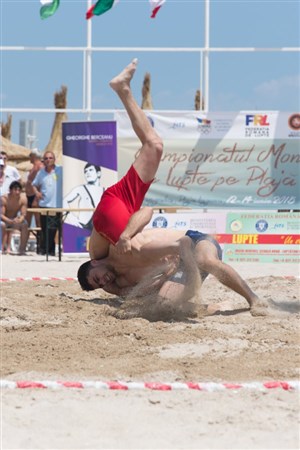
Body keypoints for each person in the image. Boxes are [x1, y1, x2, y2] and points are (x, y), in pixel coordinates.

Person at [77, 227, 268, 317]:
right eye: (99, 285)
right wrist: (168, 275)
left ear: (94, 262)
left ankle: (254, 299)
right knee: (164, 304)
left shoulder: (121, 247)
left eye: (97, 278)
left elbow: (182, 243)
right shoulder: (117, 283)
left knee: (205, 260)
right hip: (180, 269)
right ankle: (215, 307)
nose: (103, 281)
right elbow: (141, 294)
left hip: (194, 240)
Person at [85, 58, 163, 260]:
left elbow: (148, 211)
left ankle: (123, 90)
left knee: (142, 251)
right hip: (122, 204)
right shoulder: (105, 263)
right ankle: (123, 90)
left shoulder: (104, 263)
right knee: (154, 146)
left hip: (115, 212)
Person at [31, 151, 63, 256]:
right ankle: (47, 250)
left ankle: (49, 249)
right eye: (46, 158)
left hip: (57, 205)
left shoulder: (60, 170)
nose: (48, 160)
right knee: (45, 229)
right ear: (43, 160)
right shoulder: (41, 172)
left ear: (54, 159)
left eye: (50, 158)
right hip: (44, 205)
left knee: (53, 229)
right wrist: (37, 193)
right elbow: (34, 184)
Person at [63, 163, 105, 230]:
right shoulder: (80, 188)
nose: (87, 173)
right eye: (85, 171)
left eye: (90, 170)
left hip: (100, 228)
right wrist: (72, 218)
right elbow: (64, 201)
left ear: (98, 173)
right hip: (83, 226)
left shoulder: (105, 190)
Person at [1, 180, 28, 255]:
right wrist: (9, 221)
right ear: (10, 190)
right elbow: (1, 215)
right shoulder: (4, 199)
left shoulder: (23, 199)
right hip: (4, 219)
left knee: (25, 225)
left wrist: (20, 220)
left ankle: (22, 249)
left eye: (19, 190)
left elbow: (23, 214)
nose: (17, 192)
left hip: (14, 220)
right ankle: (2, 248)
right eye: (15, 190)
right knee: (2, 225)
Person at [25, 148, 44, 229]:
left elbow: (43, 182)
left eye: (30, 156)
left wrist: (37, 196)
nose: (29, 157)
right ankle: (25, 241)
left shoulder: (40, 166)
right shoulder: (33, 168)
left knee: (38, 221)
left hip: (35, 197)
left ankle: (40, 241)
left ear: (34, 156)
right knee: (26, 222)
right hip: (29, 196)